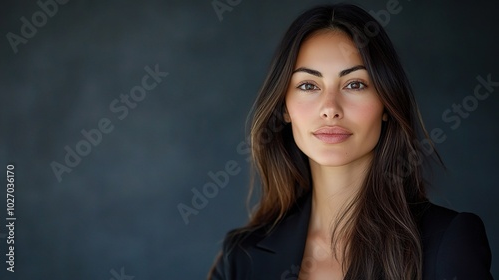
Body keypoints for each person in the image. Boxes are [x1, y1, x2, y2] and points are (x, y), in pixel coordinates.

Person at [208, 4, 493, 280]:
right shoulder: (241, 257)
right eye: (308, 85)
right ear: (284, 108)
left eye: (354, 84)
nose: (330, 107)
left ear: (386, 104)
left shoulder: (448, 243)